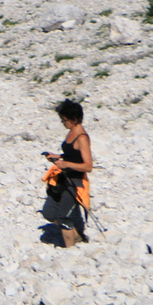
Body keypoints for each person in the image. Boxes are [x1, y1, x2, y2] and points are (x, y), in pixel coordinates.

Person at [43, 99, 93, 247]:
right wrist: (57, 157)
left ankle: (70, 250)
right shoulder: (71, 133)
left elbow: (88, 166)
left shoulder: (82, 138)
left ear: (75, 119)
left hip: (75, 182)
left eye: (64, 120)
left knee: (63, 216)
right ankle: (76, 235)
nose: (63, 123)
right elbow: (72, 155)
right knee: (48, 213)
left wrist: (65, 164)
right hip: (62, 179)